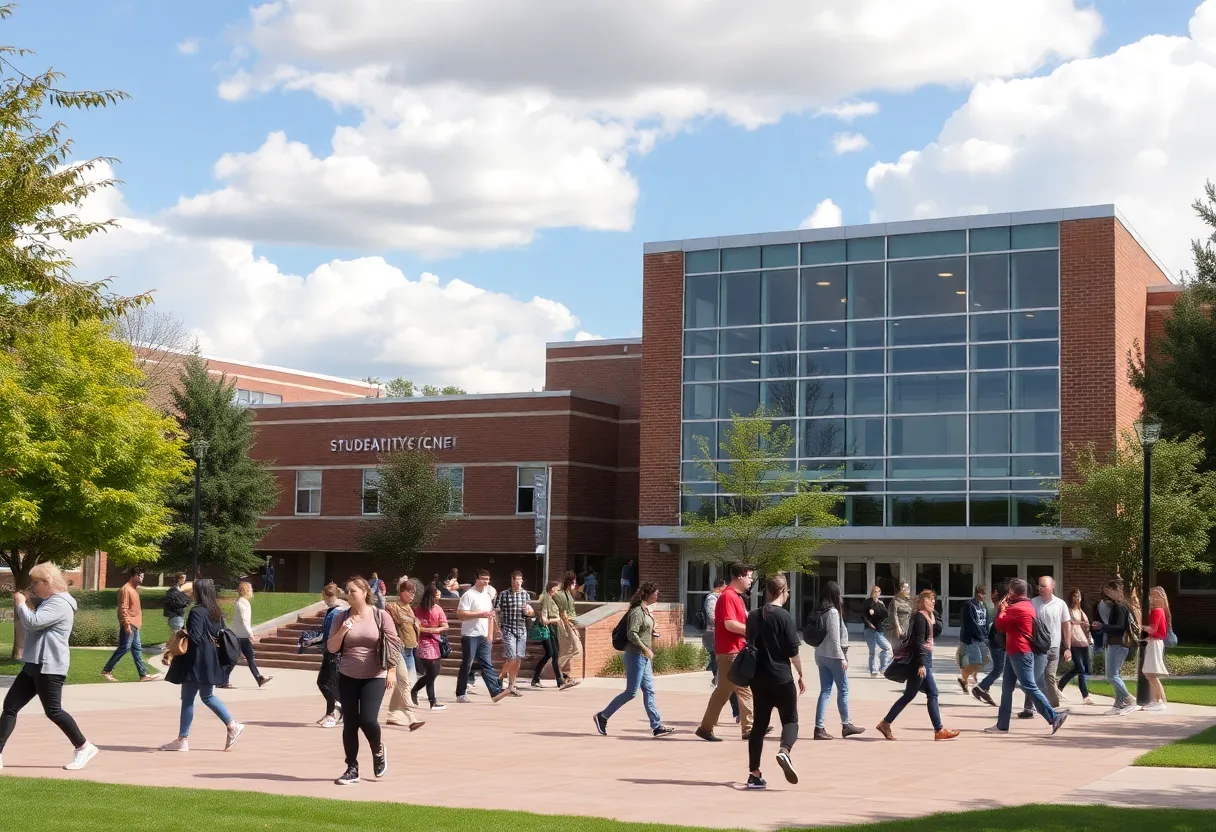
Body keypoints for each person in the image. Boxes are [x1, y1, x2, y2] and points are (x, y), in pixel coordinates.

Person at [0, 563, 99, 771]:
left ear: (48, 582)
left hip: (50, 666)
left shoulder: (60, 604)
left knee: (53, 711)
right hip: (33, 664)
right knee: (10, 707)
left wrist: (20, 604)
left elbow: (33, 623)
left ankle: (84, 746)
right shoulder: (49, 602)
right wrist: (28, 602)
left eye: (36, 582)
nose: (34, 586)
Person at [327, 576, 402, 785]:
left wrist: (392, 671)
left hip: (374, 676)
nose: (349, 594)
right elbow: (331, 648)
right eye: (347, 591)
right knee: (350, 724)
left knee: (367, 720)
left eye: (353, 591)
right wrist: (343, 631)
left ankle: (377, 749)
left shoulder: (380, 615)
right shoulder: (340, 618)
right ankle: (352, 768)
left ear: (364, 592)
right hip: (347, 675)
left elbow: (394, 645)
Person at [161, 579, 245, 753]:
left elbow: (196, 637)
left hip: (196, 660)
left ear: (200, 592)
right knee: (206, 696)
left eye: (194, 590)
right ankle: (231, 725)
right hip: (210, 659)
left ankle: (183, 739)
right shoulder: (215, 612)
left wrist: (182, 633)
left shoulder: (197, 611)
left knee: (188, 699)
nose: (191, 593)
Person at [985, 578, 1068, 736]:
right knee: (1006, 688)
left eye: (1009, 591)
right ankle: (1002, 725)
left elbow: (999, 625)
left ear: (1013, 592)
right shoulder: (1027, 605)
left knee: (1029, 685)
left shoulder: (1018, 608)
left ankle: (1054, 716)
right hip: (1012, 651)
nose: (1008, 594)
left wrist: (1002, 609)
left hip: (1020, 652)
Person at [744, 574, 805, 790]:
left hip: (758, 679)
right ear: (783, 591)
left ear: (768, 591)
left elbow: (748, 644)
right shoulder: (784, 616)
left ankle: (754, 774)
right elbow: (793, 650)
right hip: (781, 677)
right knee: (790, 720)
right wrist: (801, 674)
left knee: (759, 726)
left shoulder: (752, 616)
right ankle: (784, 751)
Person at [593, 582, 675, 738]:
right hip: (635, 655)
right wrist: (646, 648)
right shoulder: (637, 611)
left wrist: (653, 633)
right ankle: (602, 716)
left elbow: (642, 630)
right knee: (631, 692)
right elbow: (632, 634)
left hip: (644, 657)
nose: (657, 596)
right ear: (647, 594)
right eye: (655, 593)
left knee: (649, 690)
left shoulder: (645, 611)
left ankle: (656, 726)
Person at [876, 590, 958, 742]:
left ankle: (886, 723)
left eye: (933, 600)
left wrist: (935, 616)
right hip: (920, 660)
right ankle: (938, 729)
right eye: (929, 599)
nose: (932, 602)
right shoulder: (920, 617)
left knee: (911, 695)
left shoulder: (928, 616)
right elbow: (918, 642)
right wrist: (920, 664)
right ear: (921, 601)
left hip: (925, 657)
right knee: (931, 692)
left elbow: (936, 632)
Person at [696, 563, 756, 742]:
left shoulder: (735, 596)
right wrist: (750, 631)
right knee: (744, 689)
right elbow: (729, 624)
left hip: (731, 650)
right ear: (740, 576)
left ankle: (705, 728)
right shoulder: (728, 596)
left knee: (723, 691)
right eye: (750, 576)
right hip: (731, 651)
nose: (751, 580)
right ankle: (749, 729)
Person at [813, 581, 864, 740]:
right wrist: (842, 657)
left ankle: (819, 728)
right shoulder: (833, 612)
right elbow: (835, 639)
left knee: (825, 691)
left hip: (821, 654)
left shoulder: (820, 610)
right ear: (835, 594)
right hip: (834, 655)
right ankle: (846, 724)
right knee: (843, 690)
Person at [1016, 576, 1068, 717]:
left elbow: (1066, 625)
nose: (1040, 588)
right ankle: (1030, 708)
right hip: (1038, 648)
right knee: (1034, 678)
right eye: (1039, 586)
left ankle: (1053, 707)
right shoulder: (1033, 603)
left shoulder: (1060, 604)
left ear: (1052, 587)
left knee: (1050, 677)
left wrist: (1067, 647)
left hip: (1054, 647)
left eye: (1044, 586)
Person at [455, 569, 510, 704]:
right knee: (467, 663)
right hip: (470, 635)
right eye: (482, 578)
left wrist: (490, 635)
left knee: (487, 663)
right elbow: (460, 614)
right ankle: (461, 693)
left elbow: (490, 615)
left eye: (487, 579)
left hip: (483, 635)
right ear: (476, 579)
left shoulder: (487, 595)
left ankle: (495, 692)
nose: (485, 581)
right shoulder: (468, 595)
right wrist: (479, 614)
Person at [101, 568, 160, 683]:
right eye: (140, 576)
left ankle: (143, 675)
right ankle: (106, 671)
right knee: (124, 647)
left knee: (137, 649)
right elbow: (123, 608)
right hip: (129, 624)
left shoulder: (133, 589)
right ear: (133, 576)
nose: (141, 579)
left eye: (143, 576)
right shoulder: (126, 590)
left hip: (135, 624)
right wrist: (126, 624)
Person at [385, 579, 425, 730]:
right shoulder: (392, 608)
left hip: (410, 650)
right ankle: (411, 718)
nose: (412, 595)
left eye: (414, 592)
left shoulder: (409, 608)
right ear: (401, 591)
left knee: (410, 680)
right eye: (409, 592)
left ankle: (394, 714)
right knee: (404, 682)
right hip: (398, 649)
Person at [1093, 580, 1138, 715]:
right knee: (1116, 674)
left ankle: (1129, 699)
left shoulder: (1119, 606)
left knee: (1112, 675)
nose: (1107, 592)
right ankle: (1118, 705)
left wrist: (1102, 626)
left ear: (1115, 590)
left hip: (1118, 643)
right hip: (1121, 644)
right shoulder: (1125, 605)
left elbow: (1120, 627)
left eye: (1109, 590)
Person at [223, 581, 273, 689]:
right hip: (239, 636)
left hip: (242, 635)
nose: (252, 591)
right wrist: (251, 634)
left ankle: (259, 678)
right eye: (250, 589)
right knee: (234, 659)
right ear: (246, 590)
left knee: (249, 657)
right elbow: (244, 620)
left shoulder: (243, 602)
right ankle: (223, 680)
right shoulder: (242, 603)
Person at [703, 578, 740, 721]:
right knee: (725, 682)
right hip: (713, 640)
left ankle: (739, 714)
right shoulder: (712, 598)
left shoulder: (724, 598)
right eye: (725, 587)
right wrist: (728, 622)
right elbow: (713, 618)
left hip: (721, 641)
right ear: (720, 587)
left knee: (729, 682)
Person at [494, 571, 535, 696]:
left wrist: (530, 612)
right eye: (516, 580)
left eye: (520, 580)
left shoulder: (526, 595)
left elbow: (532, 614)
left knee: (518, 659)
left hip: (522, 629)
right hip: (508, 628)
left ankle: (512, 686)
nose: (518, 583)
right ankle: (500, 678)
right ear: (511, 581)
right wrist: (497, 628)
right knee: (511, 657)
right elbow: (496, 611)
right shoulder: (504, 595)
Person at [532, 581, 576, 690]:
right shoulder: (546, 598)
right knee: (553, 654)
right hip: (547, 629)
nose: (557, 592)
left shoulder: (553, 599)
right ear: (551, 589)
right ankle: (560, 681)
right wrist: (555, 620)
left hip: (553, 628)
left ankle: (536, 678)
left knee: (551, 654)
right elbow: (544, 618)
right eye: (556, 589)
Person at [412, 583, 449, 710]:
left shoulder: (438, 609)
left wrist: (433, 630)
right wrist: (429, 630)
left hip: (435, 642)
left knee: (434, 672)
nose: (437, 598)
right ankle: (424, 695)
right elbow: (416, 627)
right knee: (432, 671)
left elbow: (445, 625)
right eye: (435, 596)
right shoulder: (418, 609)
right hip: (423, 642)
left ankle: (430, 700)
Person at [972, 581, 1009, 707]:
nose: (992, 594)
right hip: (997, 641)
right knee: (998, 669)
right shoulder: (1002, 605)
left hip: (995, 640)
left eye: (995, 592)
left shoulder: (999, 604)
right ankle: (981, 687)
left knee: (999, 668)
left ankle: (985, 688)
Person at [1057, 589, 1095, 706]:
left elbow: (1086, 626)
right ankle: (1085, 696)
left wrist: (1089, 626)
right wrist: (1080, 623)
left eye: (1078, 596)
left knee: (1085, 669)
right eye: (1075, 596)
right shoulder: (1068, 610)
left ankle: (1060, 685)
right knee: (1081, 669)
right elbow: (1070, 621)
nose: (1077, 599)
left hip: (1084, 642)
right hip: (1073, 643)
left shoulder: (1082, 611)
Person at [317, 583, 346, 727]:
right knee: (325, 683)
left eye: (323, 595)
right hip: (330, 651)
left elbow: (332, 634)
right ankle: (331, 712)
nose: (322, 598)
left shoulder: (337, 612)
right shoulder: (333, 611)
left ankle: (339, 708)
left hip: (334, 653)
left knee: (326, 684)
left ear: (328, 595)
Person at [1142, 586, 1172, 712]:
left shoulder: (1157, 611)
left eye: (1155, 595)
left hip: (1155, 643)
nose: (1152, 598)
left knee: (1150, 673)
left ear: (1161, 597)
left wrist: (1140, 626)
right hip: (1155, 642)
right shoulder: (1161, 610)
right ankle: (1158, 700)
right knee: (1150, 673)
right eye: (1151, 595)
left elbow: (1153, 629)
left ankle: (1158, 701)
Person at [957, 585, 989, 693]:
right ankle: (964, 679)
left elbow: (985, 621)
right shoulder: (969, 605)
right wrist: (980, 636)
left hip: (981, 637)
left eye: (985, 593)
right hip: (971, 638)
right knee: (977, 661)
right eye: (981, 593)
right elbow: (971, 623)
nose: (983, 596)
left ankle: (968, 678)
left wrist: (986, 635)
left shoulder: (983, 606)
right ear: (976, 593)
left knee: (985, 659)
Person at [555, 571, 584, 681]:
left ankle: (563, 675)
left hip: (570, 624)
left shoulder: (569, 595)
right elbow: (563, 613)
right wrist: (569, 626)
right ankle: (558, 670)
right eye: (574, 581)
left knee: (573, 649)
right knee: (572, 649)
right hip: (564, 625)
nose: (575, 584)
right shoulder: (562, 595)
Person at [861, 585, 891, 678]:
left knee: (887, 648)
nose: (877, 592)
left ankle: (883, 667)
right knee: (873, 651)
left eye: (878, 591)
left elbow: (885, 615)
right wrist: (869, 623)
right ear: (872, 592)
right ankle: (873, 670)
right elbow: (863, 615)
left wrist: (878, 607)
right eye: (875, 591)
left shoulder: (881, 603)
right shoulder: (867, 602)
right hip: (869, 629)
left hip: (879, 630)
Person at [886, 582, 912, 646]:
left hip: (908, 628)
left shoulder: (909, 601)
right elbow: (893, 615)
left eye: (908, 588)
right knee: (897, 650)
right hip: (898, 628)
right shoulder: (895, 601)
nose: (907, 590)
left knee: (906, 651)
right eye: (905, 587)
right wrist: (898, 629)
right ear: (901, 589)